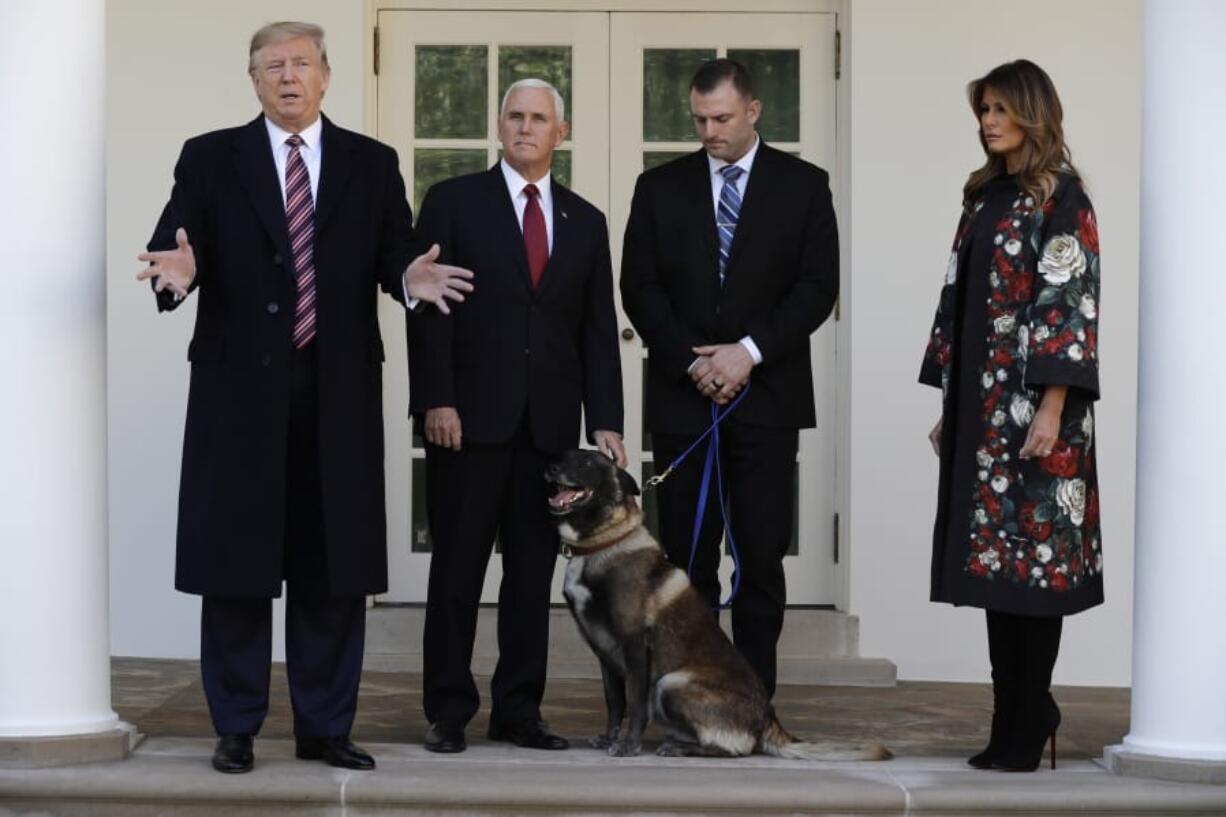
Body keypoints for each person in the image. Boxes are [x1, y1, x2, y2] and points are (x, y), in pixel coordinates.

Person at [136, 21, 473, 774]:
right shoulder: (210, 156)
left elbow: (395, 249)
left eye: (302, 63)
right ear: (252, 81)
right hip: (239, 392)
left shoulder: (371, 161)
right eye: (272, 66)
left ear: (327, 75)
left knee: (333, 564)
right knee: (236, 564)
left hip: (339, 389)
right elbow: (173, 245)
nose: (288, 76)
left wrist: (410, 281)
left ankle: (325, 726)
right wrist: (178, 277)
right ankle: (237, 725)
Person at [408, 79, 625, 754]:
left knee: (531, 577)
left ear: (561, 131)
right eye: (514, 117)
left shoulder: (586, 220)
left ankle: (518, 710)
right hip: (466, 423)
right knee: (457, 571)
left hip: (549, 433)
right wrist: (434, 399)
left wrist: (608, 419)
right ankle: (448, 709)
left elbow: (596, 328)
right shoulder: (451, 202)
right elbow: (428, 313)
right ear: (498, 126)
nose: (525, 128)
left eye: (539, 119)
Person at [619, 59, 838, 698]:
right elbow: (640, 286)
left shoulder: (803, 186)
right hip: (684, 399)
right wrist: (697, 362)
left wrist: (746, 352)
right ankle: (689, 697)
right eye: (699, 119)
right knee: (688, 564)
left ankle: (752, 700)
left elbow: (817, 288)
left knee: (760, 561)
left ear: (753, 111)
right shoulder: (659, 188)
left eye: (721, 118)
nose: (709, 131)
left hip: (767, 400)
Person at [919, 59, 1103, 772]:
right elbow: (957, 298)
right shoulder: (985, 195)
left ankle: (1030, 721)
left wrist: (1053, 406)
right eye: (984, 111)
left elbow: (1069, 303)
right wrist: (950, 401)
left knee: (1038, 568)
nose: (989, 121)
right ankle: (1012, 720)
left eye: (1000, 109)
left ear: (1031, 110)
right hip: (984, 409)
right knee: (998, 570)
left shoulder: (1064, 197)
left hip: (1038, 413)